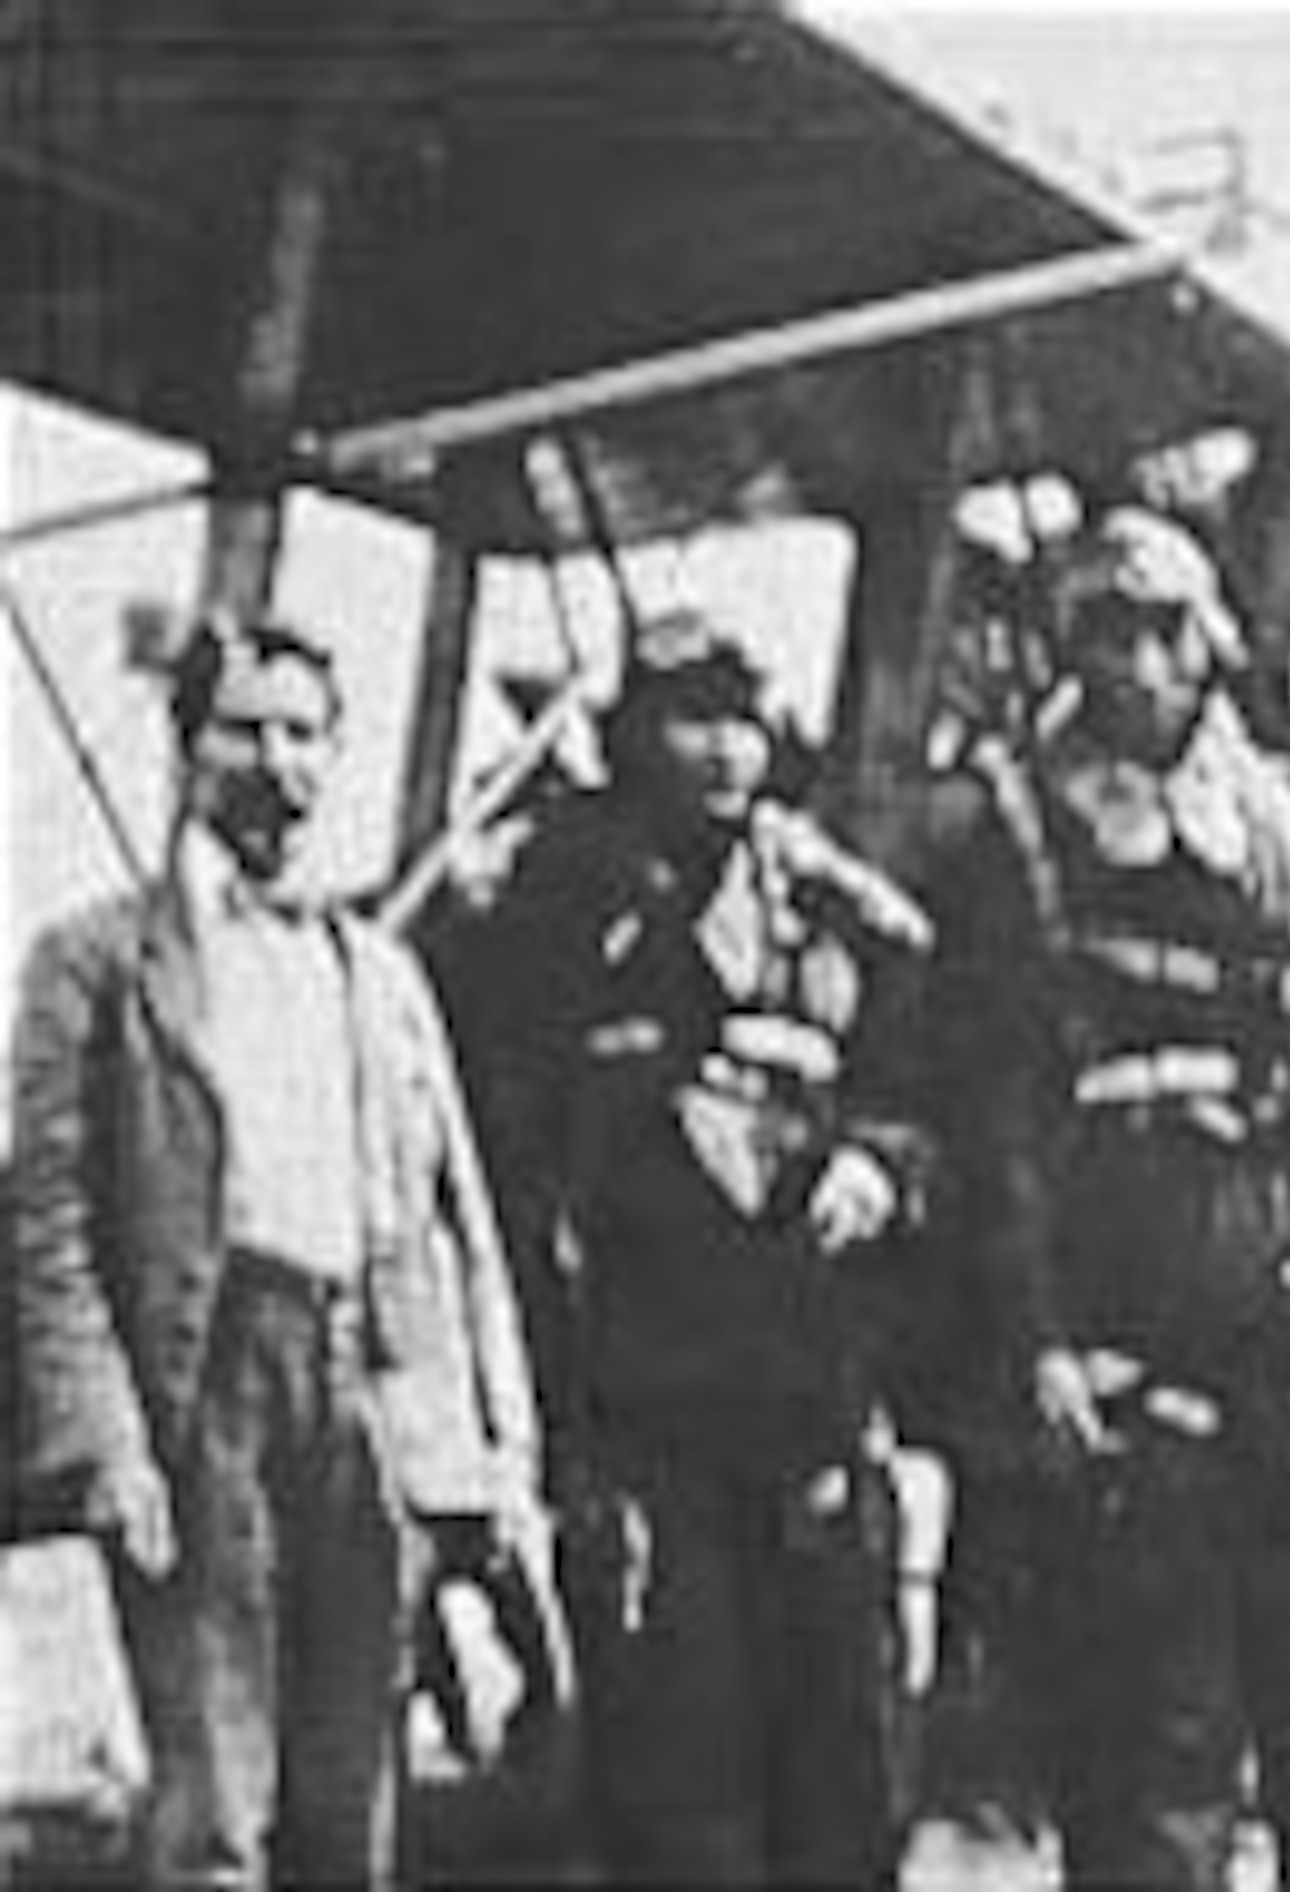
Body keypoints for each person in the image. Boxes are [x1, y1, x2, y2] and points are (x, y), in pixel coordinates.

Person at [928, 507, 1290, 1892]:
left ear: (1214, 635)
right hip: (1131, 1401)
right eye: (1107, 629)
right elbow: (981, 1125)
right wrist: (1035, 1342)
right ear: (1066, 646)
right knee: (1143, 1797)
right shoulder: (1013, 837)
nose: (1142, 663)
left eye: (1167, 626)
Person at [9, 611, 543, 1889]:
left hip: (369, 1387)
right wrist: (108, 1443)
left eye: (306, 733)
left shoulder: (380, 972)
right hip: (207, 1397)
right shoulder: (94, 965)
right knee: (215, 1800)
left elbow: (456, 1222)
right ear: (191, 745)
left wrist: (490, 1442)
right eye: (246, 728)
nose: (280, 762)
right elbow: (50, 1232)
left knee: (354, 1791)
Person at [466, 604, 934, 1887]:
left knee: (842, 1752)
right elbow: (504, 1155)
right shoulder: (552, 900)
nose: (721, 750)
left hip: (810, 1398)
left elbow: (927, 1077)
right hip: (643, 1407)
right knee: (677, 1767)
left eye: (740, 716)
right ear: (633, 736)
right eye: (688, 718)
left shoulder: (827, 899)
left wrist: (877, 1165)